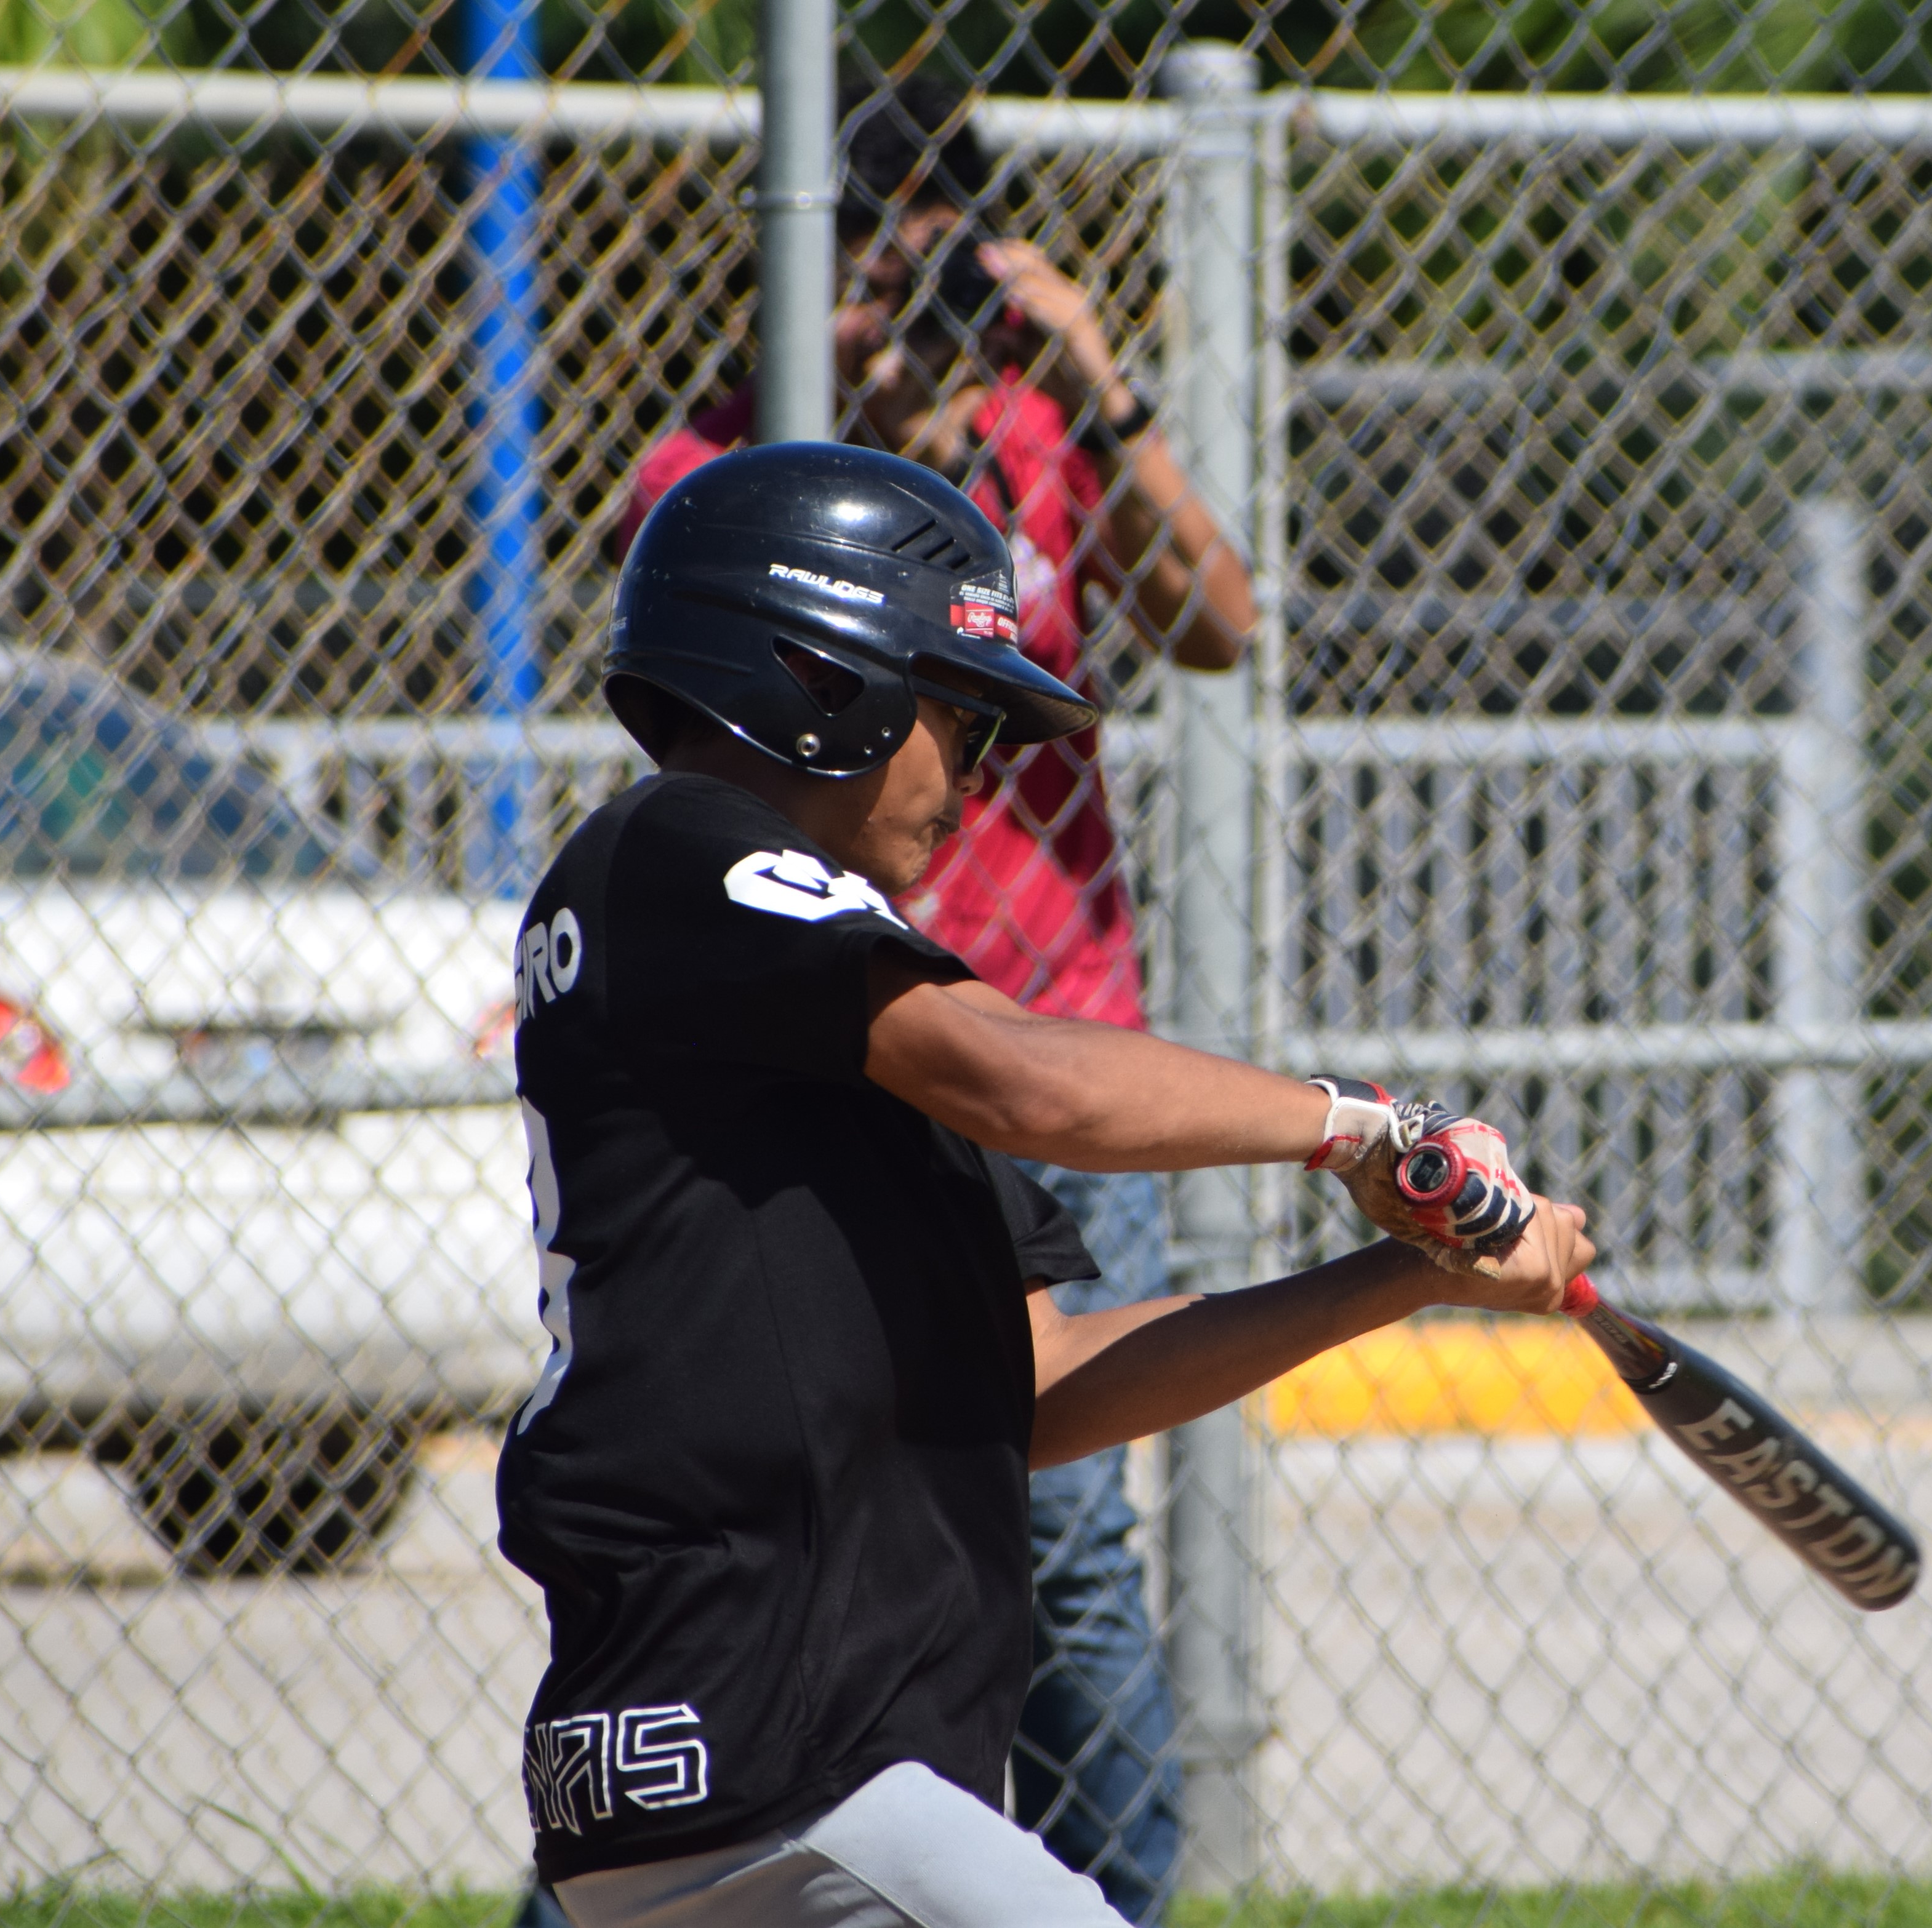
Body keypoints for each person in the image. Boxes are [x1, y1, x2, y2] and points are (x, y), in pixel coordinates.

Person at [503, 438, 1592, 1928]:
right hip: (781, 1750)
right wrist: (1365, 1126)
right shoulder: (677, 853)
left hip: (809, 1775)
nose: (984, 777)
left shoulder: (850, 1027)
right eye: (961, 719)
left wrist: (1411, 1269)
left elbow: (1043, 1383)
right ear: (821, 679)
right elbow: (1043, 1083)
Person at [611, 80, 1249, 1921]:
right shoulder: (733, 470)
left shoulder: (1038, 441)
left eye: (925, 260)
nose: (898, 307)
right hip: (811, 1040)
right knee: (733, 1496)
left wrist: (1098, 382)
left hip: (1036, 1008)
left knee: (1058, 1530)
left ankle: (1117, 1893)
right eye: (858, 258)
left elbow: (1217, 620)